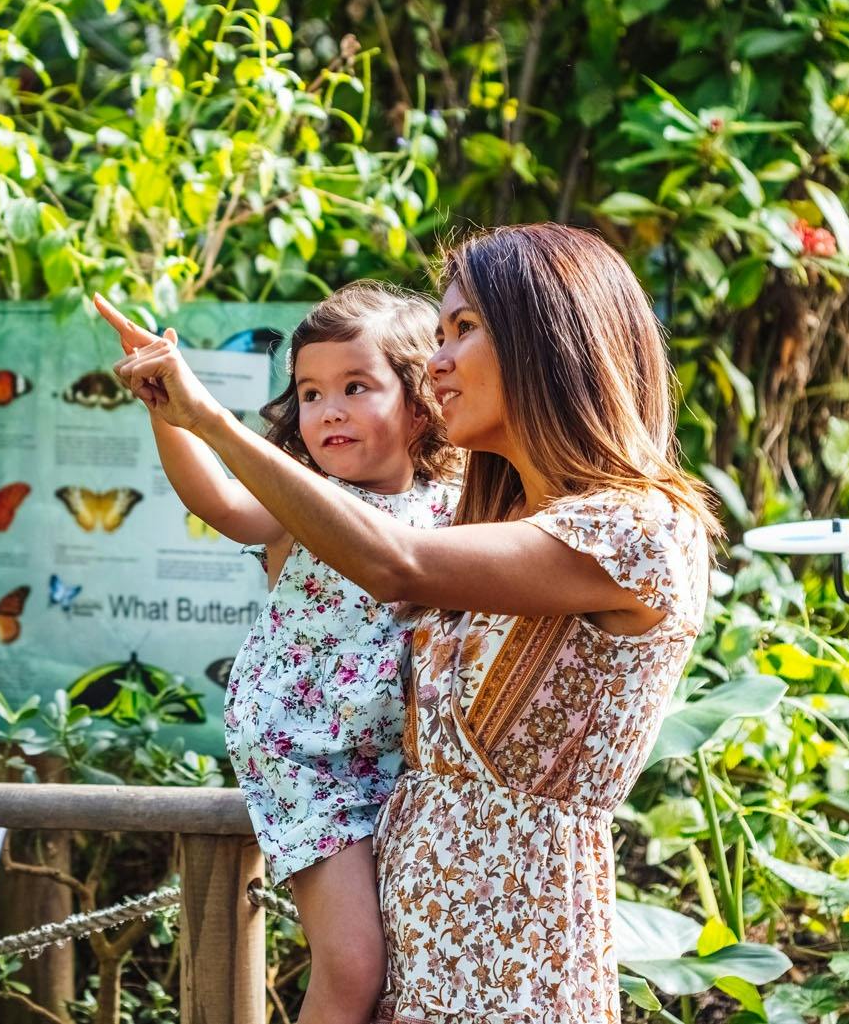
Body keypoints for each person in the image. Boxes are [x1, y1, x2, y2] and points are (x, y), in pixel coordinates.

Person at [95, 223, 719, 1023]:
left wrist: (210, 418)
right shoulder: (497, 517)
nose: (438, 360)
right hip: (424, 970)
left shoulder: (637, 528)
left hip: (514, 971)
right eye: (440, 333)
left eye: (464, 331)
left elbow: (397, 563)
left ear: (549, 339)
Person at [138, 281, 460, 1024]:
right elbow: (218, 504)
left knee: (404, 963)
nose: (330, 409)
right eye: (311, 393)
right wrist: (167, 409)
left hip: (391, 756)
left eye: (356, 386)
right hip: (302, 751)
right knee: (352, 967)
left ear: (420, 403)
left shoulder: (455, 502)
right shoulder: (302, 496)